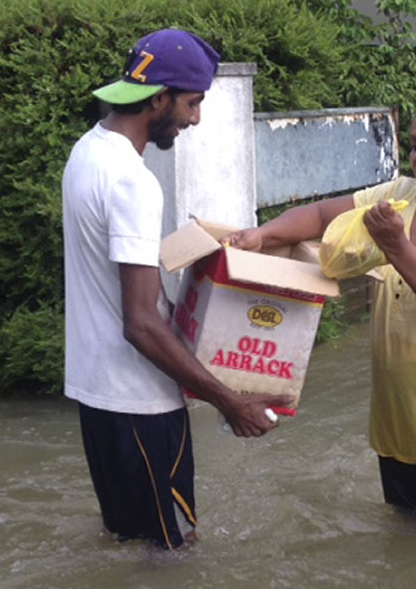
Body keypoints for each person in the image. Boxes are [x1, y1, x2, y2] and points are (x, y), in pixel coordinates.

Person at [227, 95, 416, 522]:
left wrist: (395, 245)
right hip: (398, 412)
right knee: (409, 537)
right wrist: (263, 234)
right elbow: (319, 215)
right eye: (415, 143)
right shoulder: (400, 194)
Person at [62, 28, 288, 551]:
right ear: (158, 97)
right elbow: (141, 322)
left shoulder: (87, 152)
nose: (195, 118)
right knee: (171, 556)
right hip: (141, 403)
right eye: (192, 102)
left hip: (98, 396)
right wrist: (230, 401)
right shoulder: (132, 181)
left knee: (128, 544)